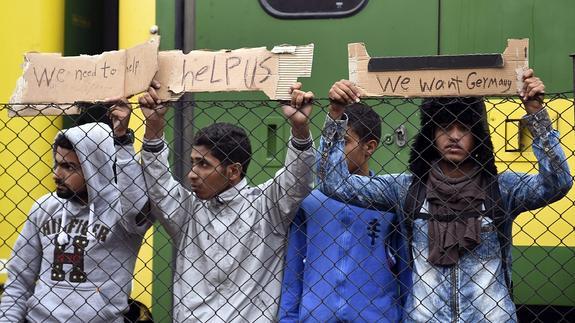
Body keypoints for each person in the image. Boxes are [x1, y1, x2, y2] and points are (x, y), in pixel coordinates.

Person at [319, 71, 572, 322]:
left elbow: (557, 183)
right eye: (444, 127)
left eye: (464, 128)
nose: (454, 136)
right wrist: (335, 116)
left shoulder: (501, 188)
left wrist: (536, 115)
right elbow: (333, 183)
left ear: (477, 135)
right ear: (431, 133)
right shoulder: (407, 188)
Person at [138, 80, 315, 322]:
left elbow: (297, 181)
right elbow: (157, 184)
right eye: (192, 162)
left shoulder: (265, 207)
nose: (191, 174)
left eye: (203, 165)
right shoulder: (188, 211)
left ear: (233, 171)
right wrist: (154, 124)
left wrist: (299, 129)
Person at [0, 101, 151, 322]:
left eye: (68, 167)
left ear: (95, 169)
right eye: (57, 163)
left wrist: (122, 141)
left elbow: (137, 206)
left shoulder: (121, 212)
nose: (56, 174)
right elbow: (19, 281)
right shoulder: (45, 207)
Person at [278, 101, 410, 322]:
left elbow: (405, 271)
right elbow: (293, 270)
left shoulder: (389, 202)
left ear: (369, 146)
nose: (333, 153)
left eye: (344, 142)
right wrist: (288, 319)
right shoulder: (312, 200)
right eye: (330, 143)